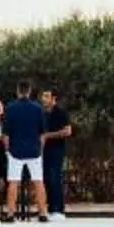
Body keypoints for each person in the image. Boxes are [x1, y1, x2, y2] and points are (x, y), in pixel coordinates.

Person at [0, 80, 48, 220]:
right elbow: (42, 134)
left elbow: (6, 135)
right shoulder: (37, 108)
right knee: (38, 181)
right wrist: (40, 149)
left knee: (13, 182)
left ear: (18, 91)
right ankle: (43, 213)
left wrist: (8, 150)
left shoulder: (10, 108)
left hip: (16, 151)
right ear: (29, 91)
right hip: (34, 150)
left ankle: (10, 214)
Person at [40, 87, 72, 219]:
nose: (44, 99)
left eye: (47, 96)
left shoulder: (61, 112)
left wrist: (48, 136)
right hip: (43, 150)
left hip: (56, 149)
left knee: (55, 177)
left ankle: (58, 209)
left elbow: (67, 131)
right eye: (43, 96)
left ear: (54, 99)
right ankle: (48, 207)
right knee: (46, 178)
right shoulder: (41, 113)